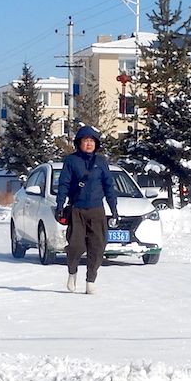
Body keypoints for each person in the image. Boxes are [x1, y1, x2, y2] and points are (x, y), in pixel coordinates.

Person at [55, 125, 118, 295]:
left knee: (97, 247)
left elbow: (109, 186)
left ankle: (91, 280)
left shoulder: (101, 162)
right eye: (85, 140)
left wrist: (114, 209)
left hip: (97, 210)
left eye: (92, 141)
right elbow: (64, 184)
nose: (89, 144)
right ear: (79, 142)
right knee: (75, 245)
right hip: (77, 209)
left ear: (96, 144)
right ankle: (72, 271)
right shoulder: (71, 161)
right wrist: (60, 204)